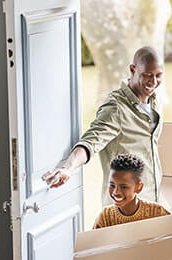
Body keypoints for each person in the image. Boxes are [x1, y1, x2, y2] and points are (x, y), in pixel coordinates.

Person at [42, 46, 165, 206]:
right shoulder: (116, 109)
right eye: (147, 75)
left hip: (152, 203)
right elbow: (90, 142)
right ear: (133, 69)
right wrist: (68, 168)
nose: (153, 82)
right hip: (124, 209)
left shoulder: (153, 102)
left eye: (158, 75)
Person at [94, 154, 172, 260]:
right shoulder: (105, 218)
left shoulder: (155, 212)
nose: (116, 192)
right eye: (112, 185)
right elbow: (92, 253)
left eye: (124, 187)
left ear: (138, 188)